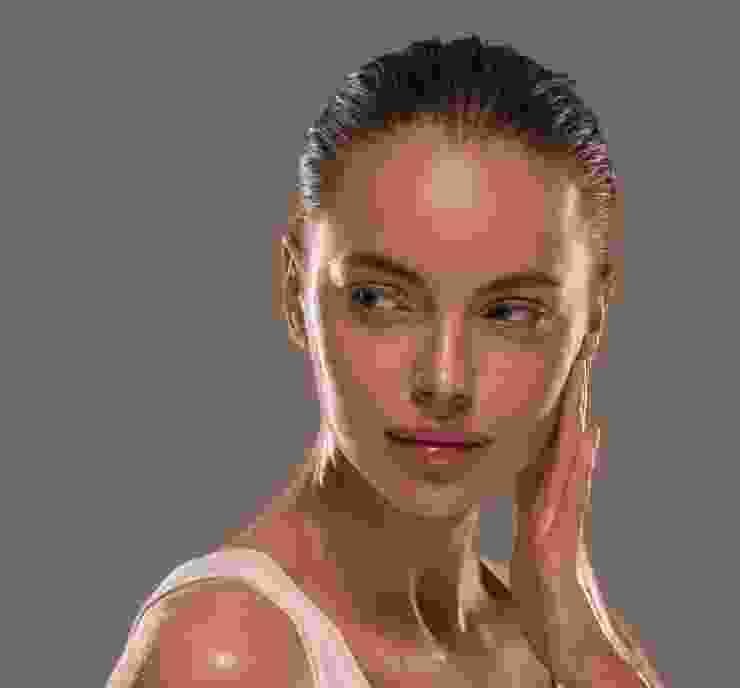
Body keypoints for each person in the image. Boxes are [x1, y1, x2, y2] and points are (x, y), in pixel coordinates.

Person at [107, 34, 663, 687]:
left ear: (593, 316)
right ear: (294, 292)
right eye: (380, 300)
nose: (445, 380)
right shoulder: (227, 652)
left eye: (509, 312)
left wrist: (584, 644)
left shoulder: (564, 635)